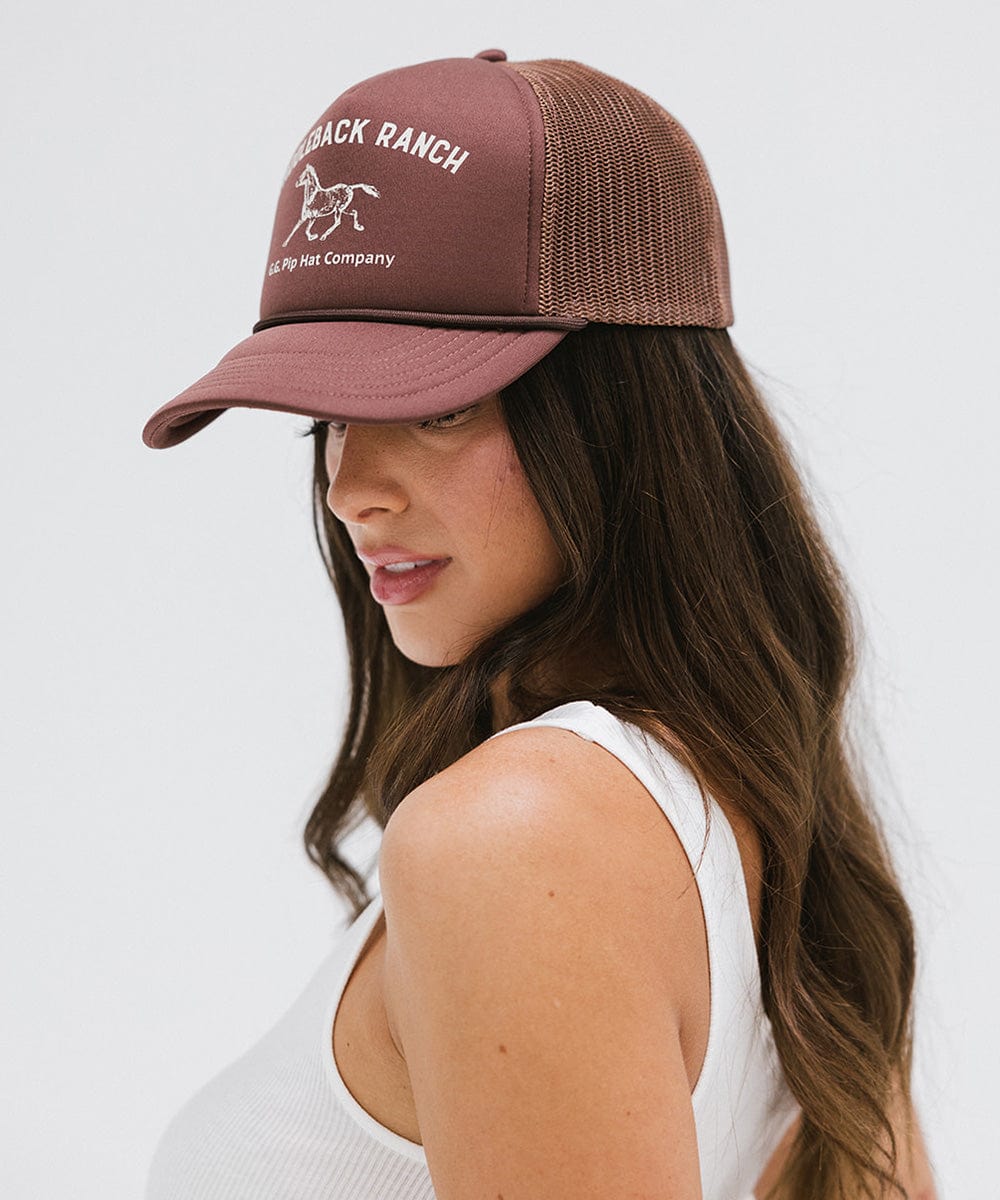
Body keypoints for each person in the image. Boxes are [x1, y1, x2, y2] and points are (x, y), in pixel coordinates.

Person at [140, 49, 938, 1200]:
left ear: (625, 412)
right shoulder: (769, 822)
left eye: (438, 400)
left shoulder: (516, 838)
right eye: (324, 417)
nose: (348, 485)